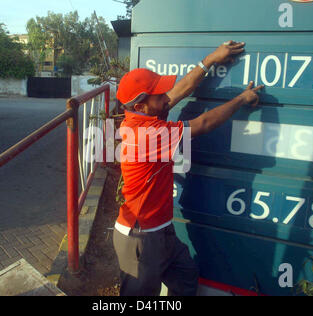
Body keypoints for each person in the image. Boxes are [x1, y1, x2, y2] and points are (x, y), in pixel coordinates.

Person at [113, 41, 264, 296]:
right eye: (159, 95)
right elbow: (203, 124)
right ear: (140, 106)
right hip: (141, 237)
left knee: (185, 277)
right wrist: (241, 99)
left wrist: (211, 59)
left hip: (161, 229)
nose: (166, 97)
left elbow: (179, 91)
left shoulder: (143, 116)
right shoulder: (148, 134)